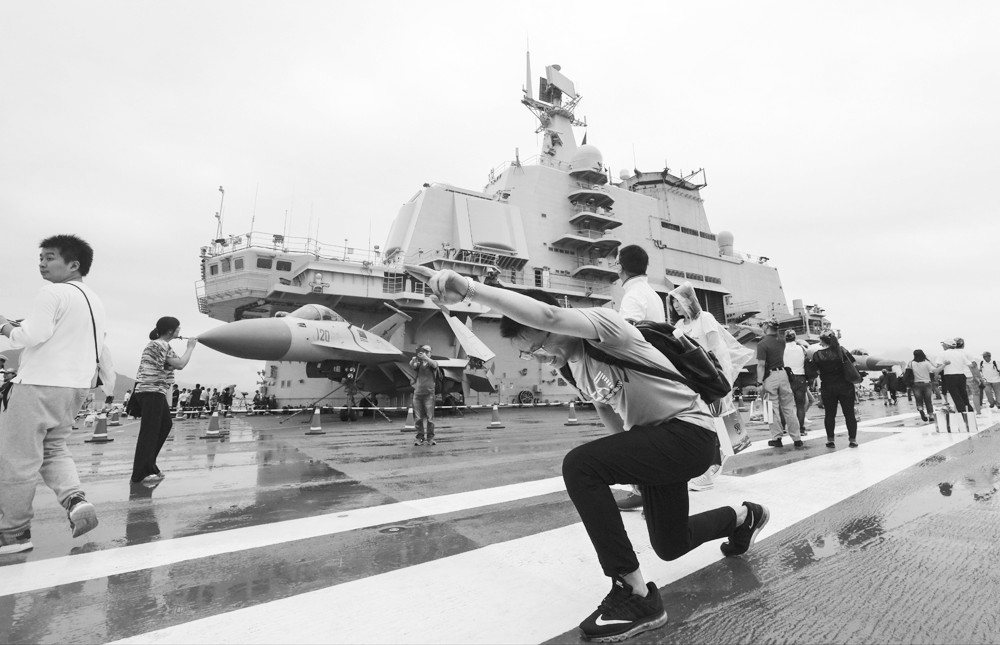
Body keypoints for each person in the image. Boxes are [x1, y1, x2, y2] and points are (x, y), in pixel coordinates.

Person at [406, 264, 768, 642]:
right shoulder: (574, 368)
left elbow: (548, 314)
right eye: (530, 355)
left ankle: (634, 594)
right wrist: (632, 472)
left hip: (689, 434)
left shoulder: (607, 328)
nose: (540, 357)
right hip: (658, 443)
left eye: (539, 347)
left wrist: (468, 289)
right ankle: (745, 517)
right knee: (670, 544)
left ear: (559, 325)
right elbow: (608, 411)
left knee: (580, 466)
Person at [0, 234, 115, 555]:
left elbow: (33, 335)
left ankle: (13, 534)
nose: (42, 263)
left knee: (17, 460)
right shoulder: (93, 300)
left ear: (73, 264)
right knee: (53, 449)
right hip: (74, 388)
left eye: (50, 257)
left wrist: (4, 327)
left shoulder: (51, 292)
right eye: (41, 257)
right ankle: (75, 500)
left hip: (36, 386)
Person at [668, 282, 754, 491]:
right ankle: (709, 463)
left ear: (689, 300)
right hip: (691, 379)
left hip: (709, 377)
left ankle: (709, 470)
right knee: (700, 422)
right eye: (672, 303)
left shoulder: (705, 318)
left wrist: (721, 379)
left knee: (713, 422)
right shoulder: (679, 325)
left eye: (678, 301)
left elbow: (718, 348)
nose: (675, 306)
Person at [614, 245, 666, 510]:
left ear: (620, 267)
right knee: (650, 435)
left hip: (638, 374)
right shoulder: (652, 295)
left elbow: (626, 335)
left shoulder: (633, 296)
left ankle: (647, 493)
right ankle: (645, 490)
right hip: (655, 370)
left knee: (637, 435)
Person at [128, 317, 197, 486]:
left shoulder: (158, 345)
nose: (180, 330)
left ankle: (149, 465)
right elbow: (180, 364)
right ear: (170, 331)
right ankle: (139, 474)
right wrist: (190, 347)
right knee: (149, 433)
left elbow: (170, 365)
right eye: (178, 328)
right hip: (151, 391)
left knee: (165, 425)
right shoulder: (160, 344)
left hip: (154, 391)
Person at [756, 319, 802, 448]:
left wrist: (759, 383)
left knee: (772, 409)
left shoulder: (762, 344)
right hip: (783, 375)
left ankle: (777, 438)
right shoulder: (781, 340)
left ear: (766, 326)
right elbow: (769, 334)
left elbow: (761, 365)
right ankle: (797, 438)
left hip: (770, 377)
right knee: (789, 408)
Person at [809, 330, 859, 448]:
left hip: (828, 387)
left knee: (830, 415)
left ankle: (830, 440)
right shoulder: (841, 350)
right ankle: (852, 440)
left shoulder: (818, 355)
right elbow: (854, 363)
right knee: (849, 414)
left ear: (823, 341)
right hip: (846, 386)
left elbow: (815, 371)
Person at [615, 245, 666, 325]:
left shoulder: (633, 295)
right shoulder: (654, 295)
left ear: (619, 267)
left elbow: (627, 331)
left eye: (616, 263)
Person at [409, 344, 439, 446]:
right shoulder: (419, 364)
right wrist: (414, 360)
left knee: (430, 418)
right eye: (423, 351)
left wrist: (425, 357)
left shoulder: (433, 363)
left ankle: (430, 438)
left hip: (429, 394)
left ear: (430, 353)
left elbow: (434, 365)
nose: (425, 353)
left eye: (427, 351)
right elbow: (412, 365)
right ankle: (420, 438)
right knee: (418, 418)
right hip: (417, 394)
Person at [939, 338, 976, 414]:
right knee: (963, 394)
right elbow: (971, 365)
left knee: (956, 395)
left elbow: (939, 366)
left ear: (947, 345)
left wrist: (943, 365)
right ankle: (969, 410)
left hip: (950, 376)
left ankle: (962, 412)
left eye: (943, 344)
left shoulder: (943, 353)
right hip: (961, 376)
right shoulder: (960, 354)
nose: (942, 346)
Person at [782, 330, 809, 434]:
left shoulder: (782, 348)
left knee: (784, 405)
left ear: (785, 337)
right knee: (800, 406)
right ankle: (801, 429)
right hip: (800, 378)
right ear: (795, 337)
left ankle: (783, 428)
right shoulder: (802, 348)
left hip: (786, 377)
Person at [908, 349, 941, 423]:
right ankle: (931, 416)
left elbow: (907, 373)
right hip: (927, 383)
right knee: (928, 400)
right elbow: (935, 370)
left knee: (918, 400)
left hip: (916, 384)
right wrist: (943, 365)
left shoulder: (911, 363)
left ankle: (920, 409)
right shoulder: (926, 363)